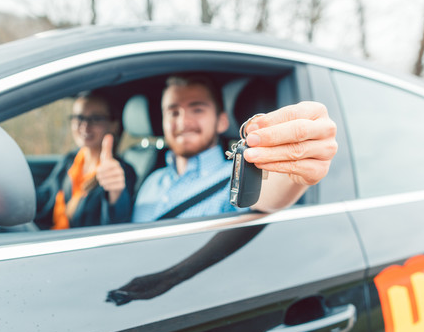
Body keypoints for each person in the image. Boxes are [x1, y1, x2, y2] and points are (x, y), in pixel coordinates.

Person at [132, 74, 337, 222]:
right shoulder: (150, 181)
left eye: (197, 109)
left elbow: (265, 197)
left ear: (222, 121)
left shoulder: (235, 177)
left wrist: (297, 169)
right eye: (173, 112)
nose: (183, 122)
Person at [35, 92, 136, 230]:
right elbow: (44, 196)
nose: (84, 126)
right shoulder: (70, 160)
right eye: (79, 118)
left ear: (113, 125)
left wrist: (116, 194)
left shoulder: (120, 173)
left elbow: (116, 226)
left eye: (95, 119)